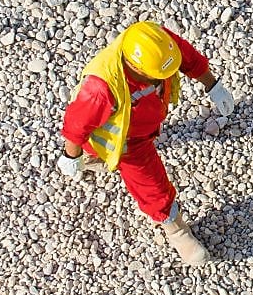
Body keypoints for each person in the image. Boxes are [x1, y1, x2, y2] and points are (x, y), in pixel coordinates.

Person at [58, 21, 235, 265]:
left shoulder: (156, 44)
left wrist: (212, 85)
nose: (166, 79)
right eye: (157, 77)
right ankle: (177, 230)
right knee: (153, 188)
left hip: (146, 122)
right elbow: (77, 126)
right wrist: (70, 157)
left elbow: (185, 56)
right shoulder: (101, 89)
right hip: (128, 142)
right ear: (133, 67)